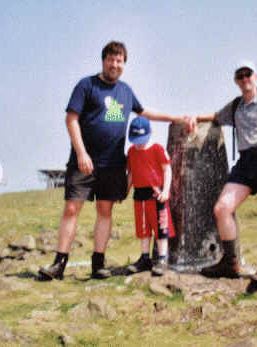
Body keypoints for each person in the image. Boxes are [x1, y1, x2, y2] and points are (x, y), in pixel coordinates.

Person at [39, 41, 191, 280]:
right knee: (71, 208)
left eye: (119, 60)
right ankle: (59, 264)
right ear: (103, 60)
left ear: (124, 64)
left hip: (113, 164)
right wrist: (81, 153)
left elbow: (144, 112)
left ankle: (98, 263)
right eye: (111, 59)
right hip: (84, 162)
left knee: (105, 210)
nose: (115, 64)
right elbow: (71, 119)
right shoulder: (86, 85)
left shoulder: (125, 91)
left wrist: (175, 117)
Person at [188, 60, 257, 288]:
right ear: (236, 80)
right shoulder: (236, 106)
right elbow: (215, 116)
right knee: (222, 208)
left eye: (248, 74)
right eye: (240, 76)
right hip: (245, 162)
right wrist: (194, 117)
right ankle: (230, 262)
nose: (245, 79)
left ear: (256, 76)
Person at [125, 116, 175, 276]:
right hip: (139, 195)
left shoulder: (158, 149)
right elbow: (131, 173)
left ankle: (162, 259)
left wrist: (166, 190)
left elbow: (167, 170)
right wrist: (125, 191)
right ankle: (145, 258)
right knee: (143, 229)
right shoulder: (131, 151)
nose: (139, 143)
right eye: (136, 140)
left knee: (161, 229)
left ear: (150, 133)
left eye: (142, 139)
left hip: (157, 194)